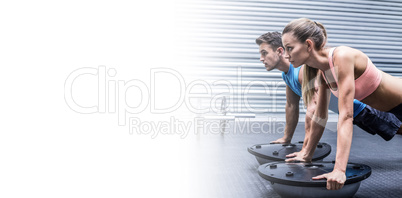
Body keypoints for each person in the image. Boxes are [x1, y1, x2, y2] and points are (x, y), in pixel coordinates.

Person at [281, 18, 402, 190]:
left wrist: (339, 169)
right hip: (395, 109)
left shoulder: (342, 56)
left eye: (289, 48)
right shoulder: (324, 73)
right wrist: (306, 154)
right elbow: (320, 116)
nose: (286, 55)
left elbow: (346, 115)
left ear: (308, 45)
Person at [256, 32, 402, 147]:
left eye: (264, 53)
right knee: (396, 131)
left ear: (279, 51)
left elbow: (314, 111)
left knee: (398, 129)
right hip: (353, 112)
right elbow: (291, 106)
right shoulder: (287, 75)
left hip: (365, 108)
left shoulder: (301, 72)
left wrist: (306, 151)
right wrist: (286, 138)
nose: (261, 59)